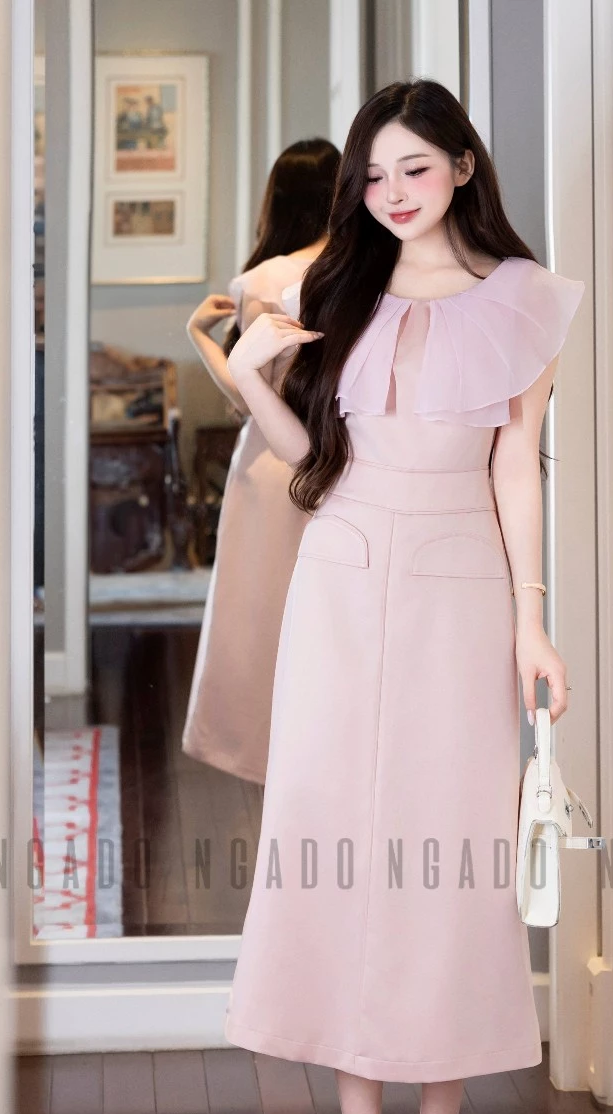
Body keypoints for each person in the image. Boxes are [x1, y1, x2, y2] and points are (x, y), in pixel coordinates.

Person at [218, 80, 585, 1114]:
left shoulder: (524, 301)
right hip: (340, 580)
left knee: (447, 871)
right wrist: (247, 379)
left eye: (413, 169)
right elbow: (312, 462)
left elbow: (515, 468)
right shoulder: (336, 287)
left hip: (459, 588)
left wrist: (531, 623)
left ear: (463, 167)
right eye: (372, 176)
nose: (391, 194)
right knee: (335, 856)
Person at [182, 138, 341, 784]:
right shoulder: (364, 266)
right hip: (343, 459)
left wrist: (197, 335)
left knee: (260, 620)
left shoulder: (264, 281)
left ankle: (270, 762)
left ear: (279, 200)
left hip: (272, 470)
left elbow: (247, 396)